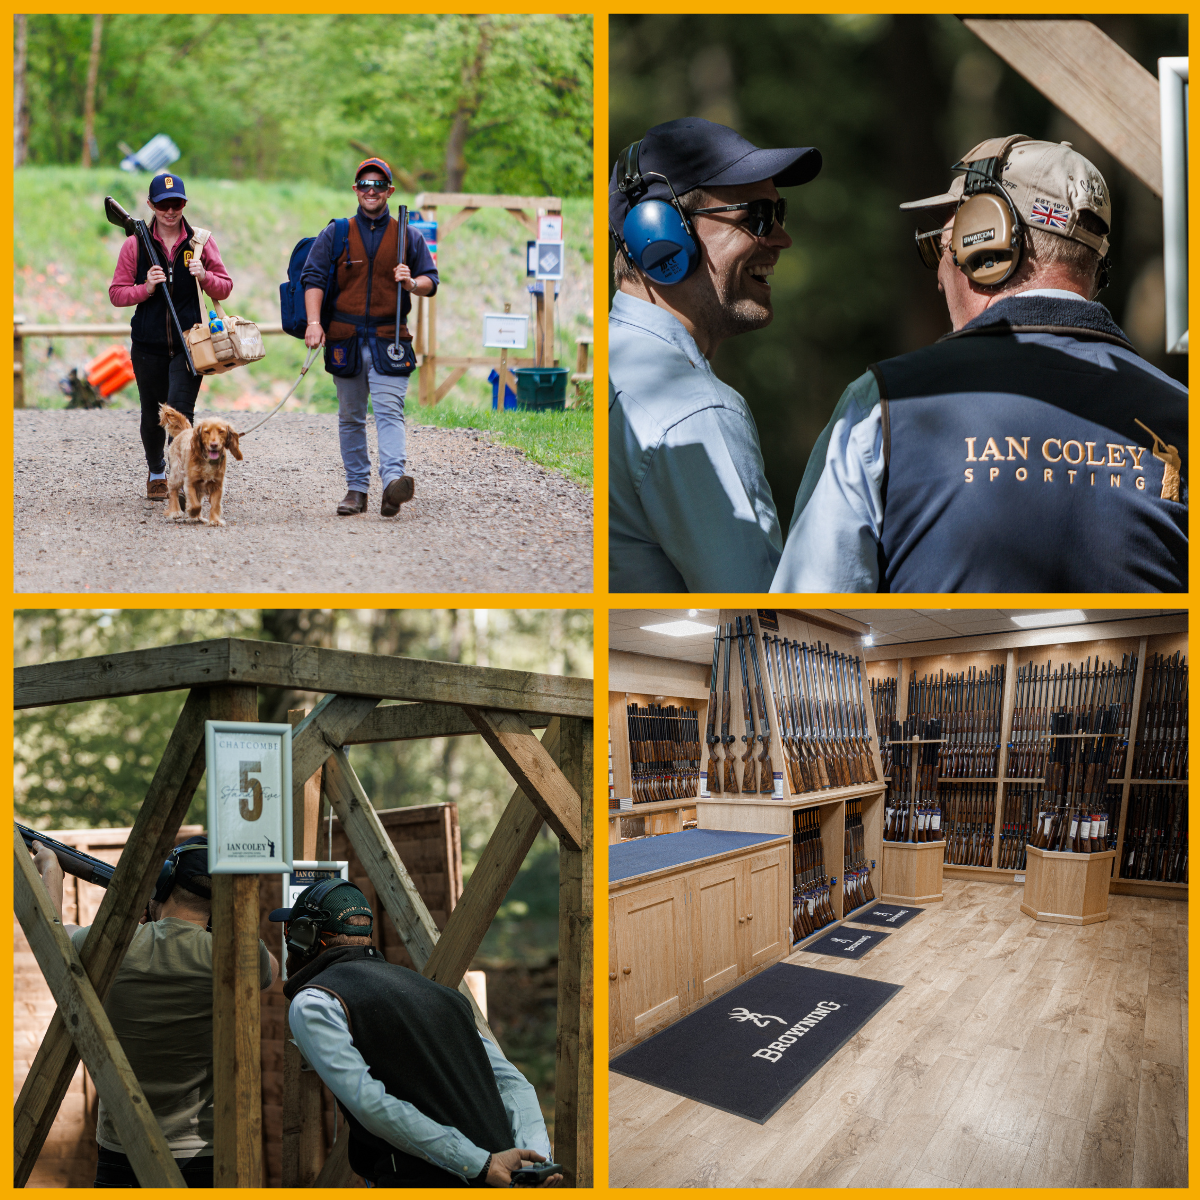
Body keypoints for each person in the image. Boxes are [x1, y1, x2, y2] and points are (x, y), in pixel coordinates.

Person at [772, 135, 1188, 593]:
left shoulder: (885, 404)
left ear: (984, 244)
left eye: (941, 247)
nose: (937, 276)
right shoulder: (1184, 412)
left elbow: (804, 623)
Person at [608, 117, 822, 592]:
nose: (782, 238)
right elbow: (754, 616)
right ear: (659, 233)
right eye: (758, 218)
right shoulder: (695, 410)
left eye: (779, 212)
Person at [272, 880, 560, 1188]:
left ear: (306, 937)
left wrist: (480, 1164)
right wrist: (536, 1160)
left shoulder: (315, 1001)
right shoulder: (440, 994)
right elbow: (513, 1083)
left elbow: (371, 1103)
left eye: (292, 932)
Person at [30, 835, 278, 1188]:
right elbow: (272, 968)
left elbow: (54, 934)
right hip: (203, 1155)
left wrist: (51, 872)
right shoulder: (233, 955)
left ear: (163, 884)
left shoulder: (114, 945)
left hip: (122, 1149)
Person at [301, 157, 438, 517]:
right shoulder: (337, 233)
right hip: (344, 338)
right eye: (365, 184)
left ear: (390, 190)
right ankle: (356, 490)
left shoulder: (408, 234)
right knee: (350, 416)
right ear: (355, 190)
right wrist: (314, 322)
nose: (371, 190)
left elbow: (431, 281)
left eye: (378, 184)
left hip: (388, 338)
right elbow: (312, 278)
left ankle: (393, 484)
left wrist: (411, 282)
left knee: (390, 411)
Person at [109, 172, 234, 501]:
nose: (170, 210)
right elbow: (117, 294)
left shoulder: (201, 242)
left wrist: (205, 275)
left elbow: (226, 286)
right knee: (153, 415)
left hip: (189, 345)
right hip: (147, 345)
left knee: (180, 413)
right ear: (151, 205)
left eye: (176, 203)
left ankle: (183, 480)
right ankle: (156, 472)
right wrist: (146, 288)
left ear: (184, 204)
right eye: (163, 204)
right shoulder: (135, 244)